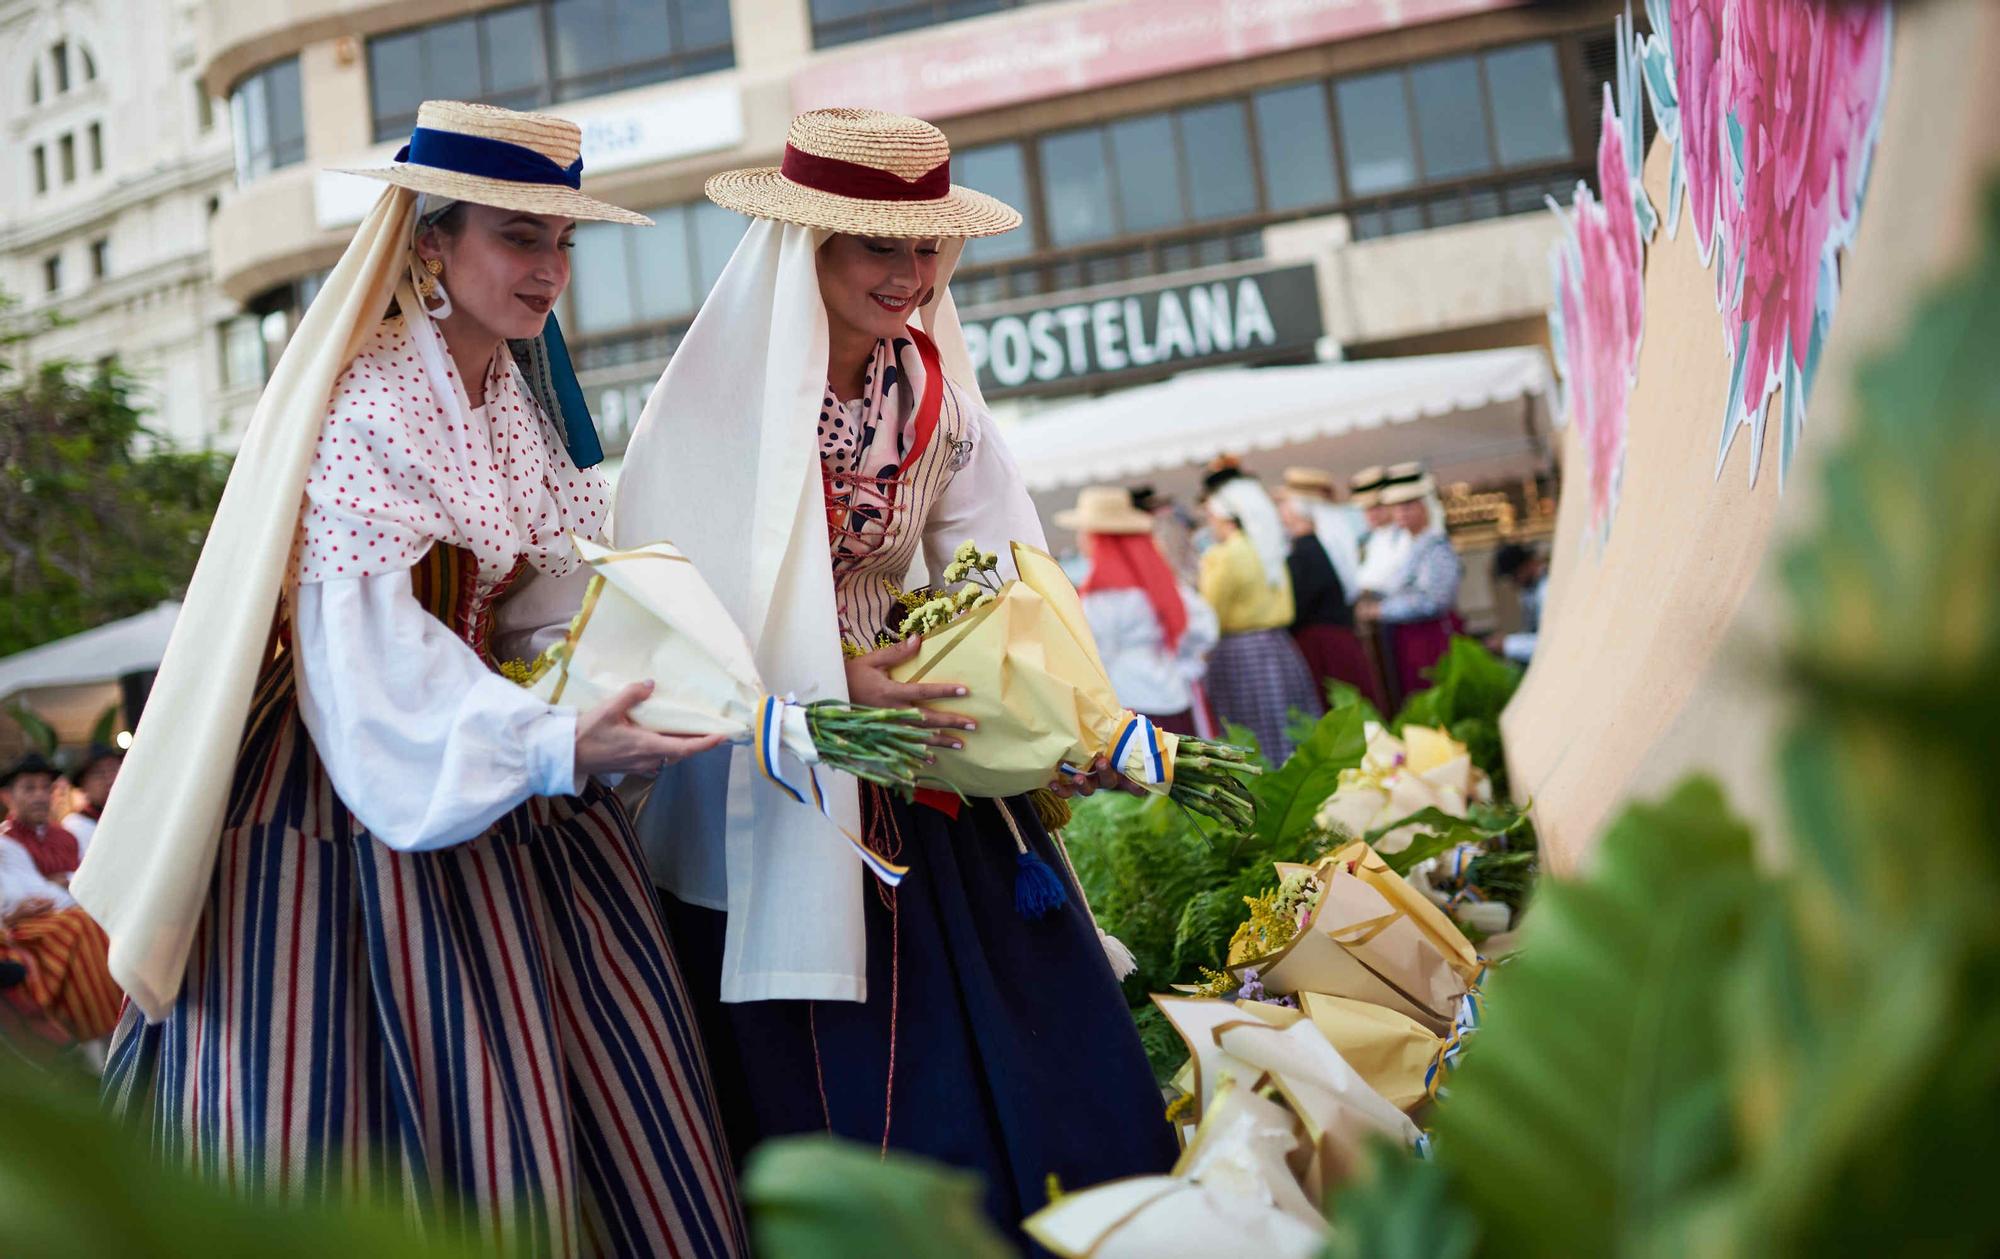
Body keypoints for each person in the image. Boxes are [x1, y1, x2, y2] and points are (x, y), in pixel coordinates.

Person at [74, 102, 744, 1256]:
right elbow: (370, 664)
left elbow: (546, 597)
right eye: (518, 236)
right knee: (353, 1106)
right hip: (355, 786)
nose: (549, 271)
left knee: (591, 1076)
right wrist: (550, 740)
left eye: (561, 242)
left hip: (489, 755)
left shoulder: (508, 403)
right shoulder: (370, 399)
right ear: (430, 242)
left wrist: (682, 675)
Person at [616, 108, 1178, 1241]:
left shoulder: (935, 400)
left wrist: (1087, 721)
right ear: (806, 249)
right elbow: (665, 617)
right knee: (852, 1062)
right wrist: (825, 690)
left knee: (1032, 1025)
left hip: (923, 747)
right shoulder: (712, 412)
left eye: (923, 247)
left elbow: (1006, 569)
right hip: (772, 773)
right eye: (879, 246)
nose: (911, 274)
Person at [1059, 485, 1219, 735]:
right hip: (1174, 693)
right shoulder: (1159, 581)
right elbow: (1202, 627)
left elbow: (1093, 654)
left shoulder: (1103, 595)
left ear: (1097, 538)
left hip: (1131, 706)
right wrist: (1182, 661)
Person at [1198, 465, 1322, 761]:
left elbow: (1209, 612)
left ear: (1225, 517)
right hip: (1277, 646)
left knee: (1252, 730)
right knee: (1286, 724)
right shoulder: (1269, 548)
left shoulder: (1225, 555)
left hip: (1240, 652)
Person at [0, 823, 119, 1053]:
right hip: (14, 931)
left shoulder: (9, 847)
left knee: (87, 920)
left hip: (31, 919)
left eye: (43, 788)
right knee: (75, 927)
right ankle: (88, 1027)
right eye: (30, 788)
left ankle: (103, 1023)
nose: (39, 796)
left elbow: (39, 889)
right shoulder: (72, 823)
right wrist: (14, 916)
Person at [1356, 478, 1464, 704]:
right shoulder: (1410, 544)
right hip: (1410, 637)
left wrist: (1382, 610)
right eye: (1396, 507)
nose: (1401, 513)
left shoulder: (1435, 545)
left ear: (1424, 507)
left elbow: (1435, 600)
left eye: (1408, 506)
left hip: (1430, 636)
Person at [1276, 483, 1383, 711]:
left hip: (1322, 645)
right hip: (1333, 638)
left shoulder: (1306, 551)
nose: (1281, 512)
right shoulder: (1314, 547)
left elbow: (1298, 605)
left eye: (1284, 505)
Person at [0, 754, 79, 881]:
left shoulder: (68, 838)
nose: (40, 796)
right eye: (29, 788)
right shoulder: (5, 841)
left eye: (46, 787)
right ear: (7, 796)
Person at [59, 743, 121, 857]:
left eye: (113, 770)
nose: (109, 779)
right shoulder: (74, 827)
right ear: (83, 785)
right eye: (99, 773)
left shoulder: (134, 815)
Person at [1491, 542, 1548, 664]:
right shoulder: (1530, 593)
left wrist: (1508, 645)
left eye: (1514, 577)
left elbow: (1549, 641)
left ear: (1525, 566)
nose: (1514, 584)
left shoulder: (1546, 590)